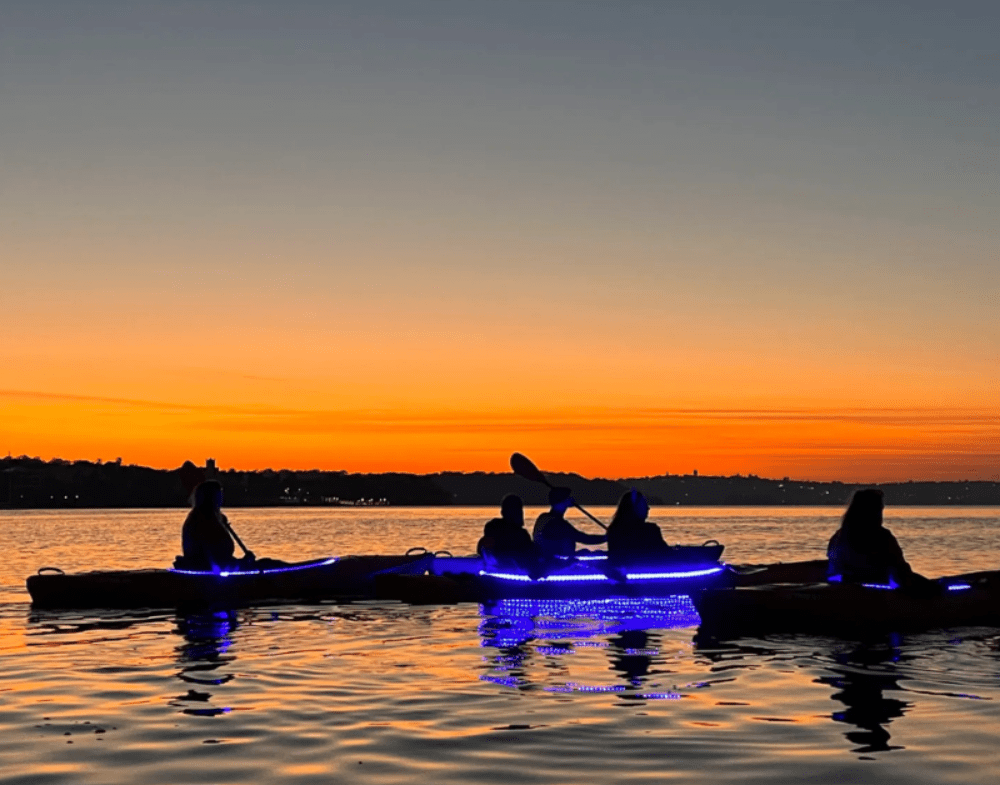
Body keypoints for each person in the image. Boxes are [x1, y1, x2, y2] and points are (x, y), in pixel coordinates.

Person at [827, 489, 934, 593]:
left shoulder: (839, 537)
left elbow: (834, 570)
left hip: (846, 593)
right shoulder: (883, 537)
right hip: (878, 596)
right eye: (878, 509)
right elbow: (900, 571)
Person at [178, 480, 254, 571]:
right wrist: (243, 563)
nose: (221, 499)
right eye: (218, 495)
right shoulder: (201, 521)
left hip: (219, 566)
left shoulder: (216, 519)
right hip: (207, 570)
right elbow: (212, 558)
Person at [532, 487, 606, 561]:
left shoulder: (544, 517)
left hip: (551, 558)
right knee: (589, 553)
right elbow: (582, 538)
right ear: (562, 501)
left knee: (587, 552)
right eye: (568, 497)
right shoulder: (557, 523)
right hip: (555, 561)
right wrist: (606, 538)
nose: (571, 498)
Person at [477, 494, 542, 577]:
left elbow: (480, 548)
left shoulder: (491, 527)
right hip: (512, 573)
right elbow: (531, 556)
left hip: (494, 570)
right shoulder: (520, 535)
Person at [606, 489, 672, 569]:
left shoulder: (614, 530)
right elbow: (665, 553)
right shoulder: (650, 530)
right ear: (635, 508)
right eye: (644, 504)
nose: (648, 508)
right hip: (648, 569)